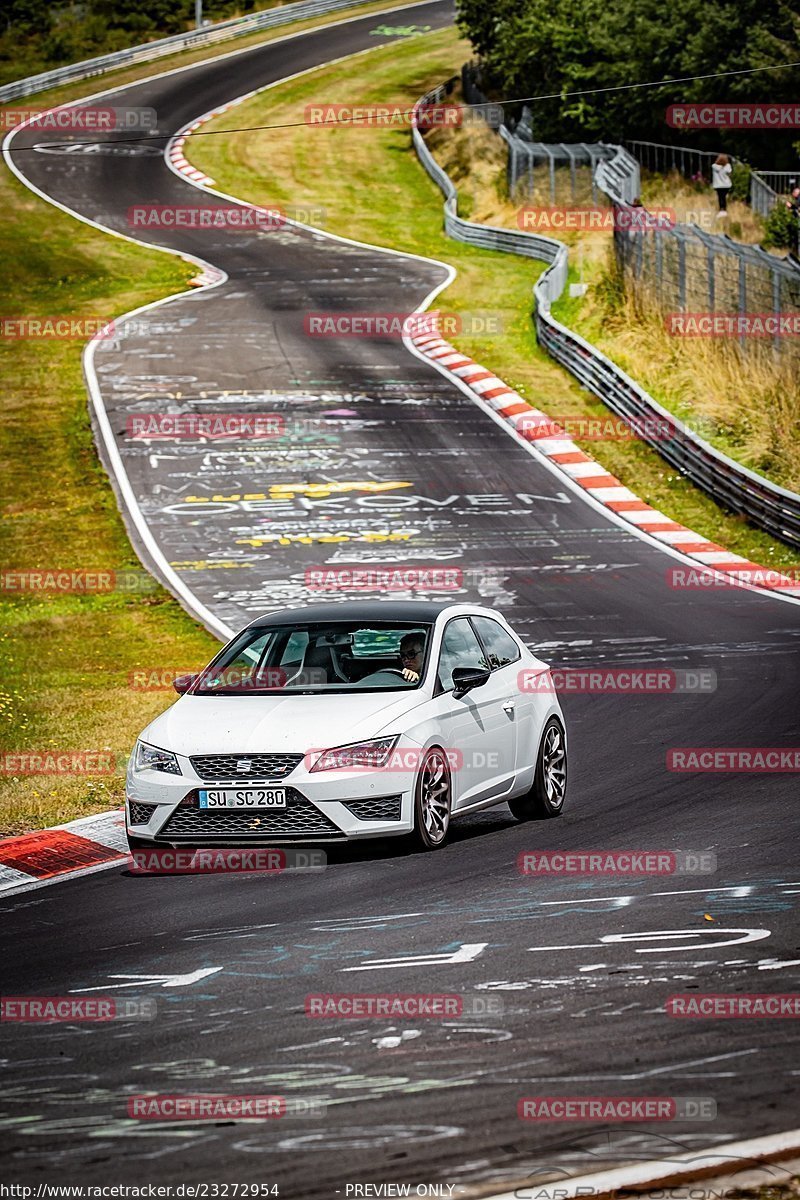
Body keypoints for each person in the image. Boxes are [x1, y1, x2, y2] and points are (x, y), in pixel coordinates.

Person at [711, 154, 733, 218]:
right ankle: (725, 210)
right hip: (726, 185)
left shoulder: (714, 166)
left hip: (718, 185)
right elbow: (730, 173)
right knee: (724, 197)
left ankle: (721, 210)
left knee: (720, 197)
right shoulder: (728, 166)